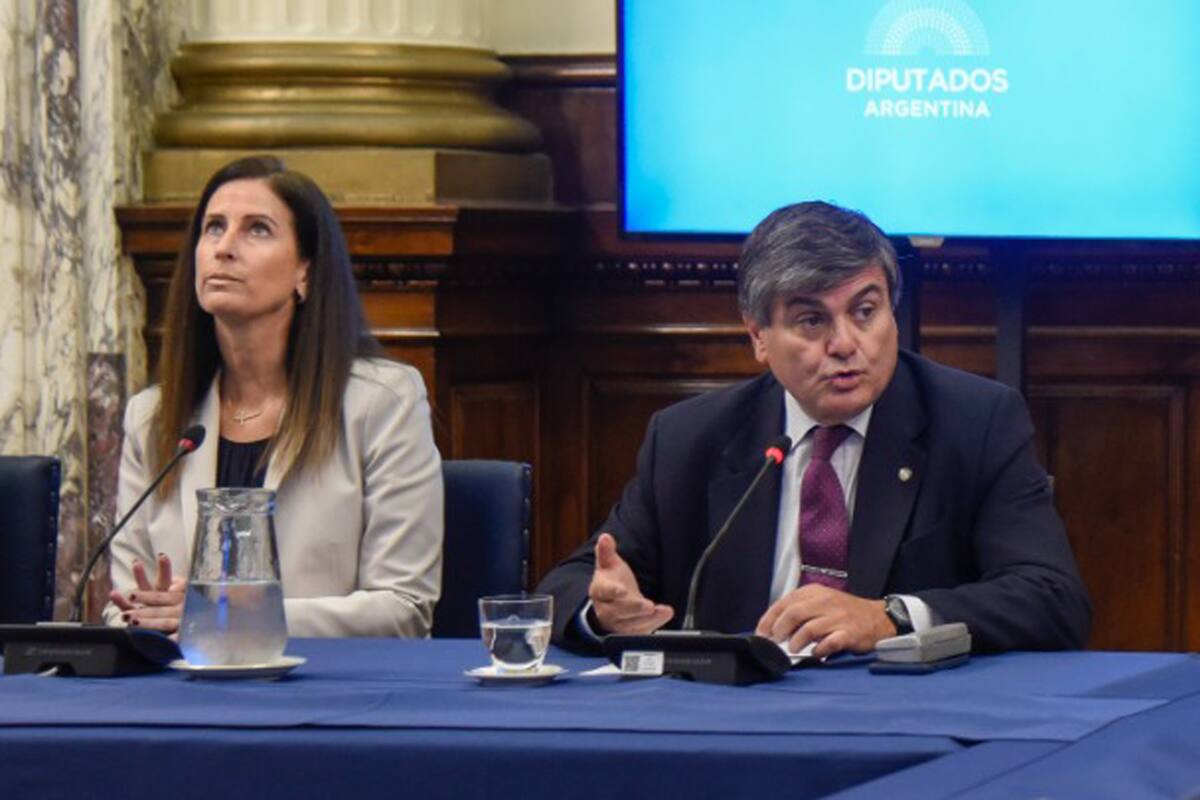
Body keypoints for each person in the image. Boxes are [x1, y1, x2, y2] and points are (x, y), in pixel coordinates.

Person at [538, 201, 1091, 657]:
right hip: (735, 720)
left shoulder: (975, 422)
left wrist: (890, 617)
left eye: (865, 310)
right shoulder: (690, 438)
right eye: (812, 320)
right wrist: (604, 612)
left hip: (901, 715)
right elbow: (572, 585)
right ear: (758, 336)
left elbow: (1051, 598)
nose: (846, 343)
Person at [103, 155, 443, 638]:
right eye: (213, 227)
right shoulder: (153, 417)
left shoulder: (382, 403)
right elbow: (125, 606)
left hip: (324, 692)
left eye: (257, 230)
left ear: (305, 271)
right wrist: (144, 618)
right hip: (182, 693)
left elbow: (403, 610)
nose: (223, 248)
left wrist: (230, 616)